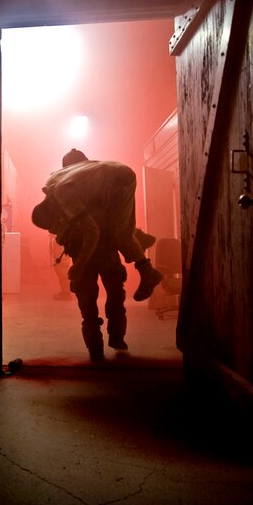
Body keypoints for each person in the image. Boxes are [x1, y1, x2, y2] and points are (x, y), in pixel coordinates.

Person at [34, 148, 161, 362]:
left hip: (90, 251)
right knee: (114, 294)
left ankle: (96, 350)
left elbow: (91, 230)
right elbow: (111, 224)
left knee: (88, 303)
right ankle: (116, 339)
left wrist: (78, 264)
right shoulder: (89, 186)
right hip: (106, 250)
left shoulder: (65, 193)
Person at [50, 233, 73, 301]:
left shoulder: (62, 238)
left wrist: (63, 260)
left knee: (63, 278)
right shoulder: (56, 238)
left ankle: (66, 294)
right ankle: (64, 292)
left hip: (62, 260)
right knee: (61, 278)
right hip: (59, 259)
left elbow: (64, 250)